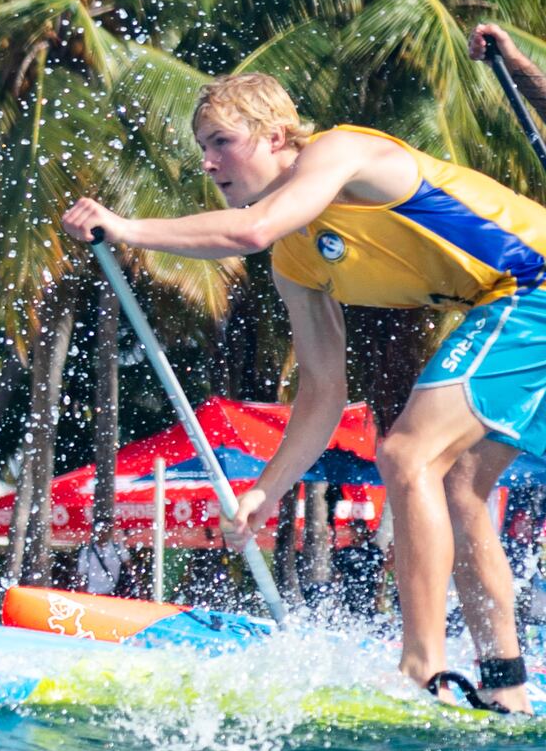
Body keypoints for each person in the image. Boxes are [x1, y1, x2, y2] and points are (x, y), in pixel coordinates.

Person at [65, 56, 546, 710]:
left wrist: (127, 228)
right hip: (514, 305)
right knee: (460, 483)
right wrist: (268, 487)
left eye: (221, 143)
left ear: (275, 138)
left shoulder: (341, 151)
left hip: (530, 288)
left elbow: (250, 228)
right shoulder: (295, 259)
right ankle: (507, 689)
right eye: (202, 148)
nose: (208, 164)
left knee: (408, 453)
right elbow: (322, 390)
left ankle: (422, 667)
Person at [75, 525, 126, 597]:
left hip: (113, 593)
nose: (102, 534)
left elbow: (130, 567)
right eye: (100, 532)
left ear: (110, 533)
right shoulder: (87, 552)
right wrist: (82, 595)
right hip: (92, 594)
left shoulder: (117, 549)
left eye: (105, 531)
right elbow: (81, 574)